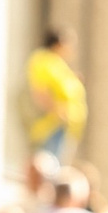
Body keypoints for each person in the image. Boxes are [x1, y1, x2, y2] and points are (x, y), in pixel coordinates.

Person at [24, 27, 88, 160]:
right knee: (49, 167)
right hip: (51, 126)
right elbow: (39, 91)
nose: (72, 50)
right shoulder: (43, 60)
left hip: (63, 127)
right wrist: (58, 112)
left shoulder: (57, 63)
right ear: (59, 43)